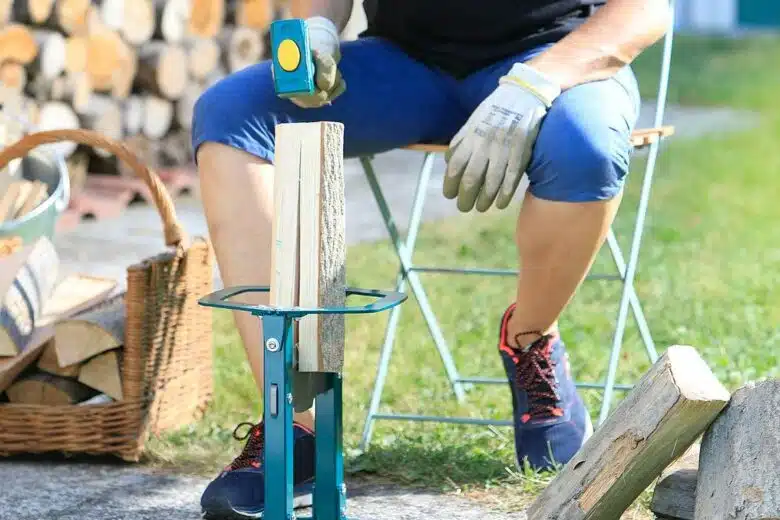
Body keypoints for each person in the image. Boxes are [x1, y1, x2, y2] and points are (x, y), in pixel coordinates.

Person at [191, 0, 672, 517]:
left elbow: (645, 11)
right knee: (229, 114)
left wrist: (535, 82)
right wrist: (318, 26)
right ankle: (294, 425)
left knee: (587, 148)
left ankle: (531, 338)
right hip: (401, 67)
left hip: (561, 62)